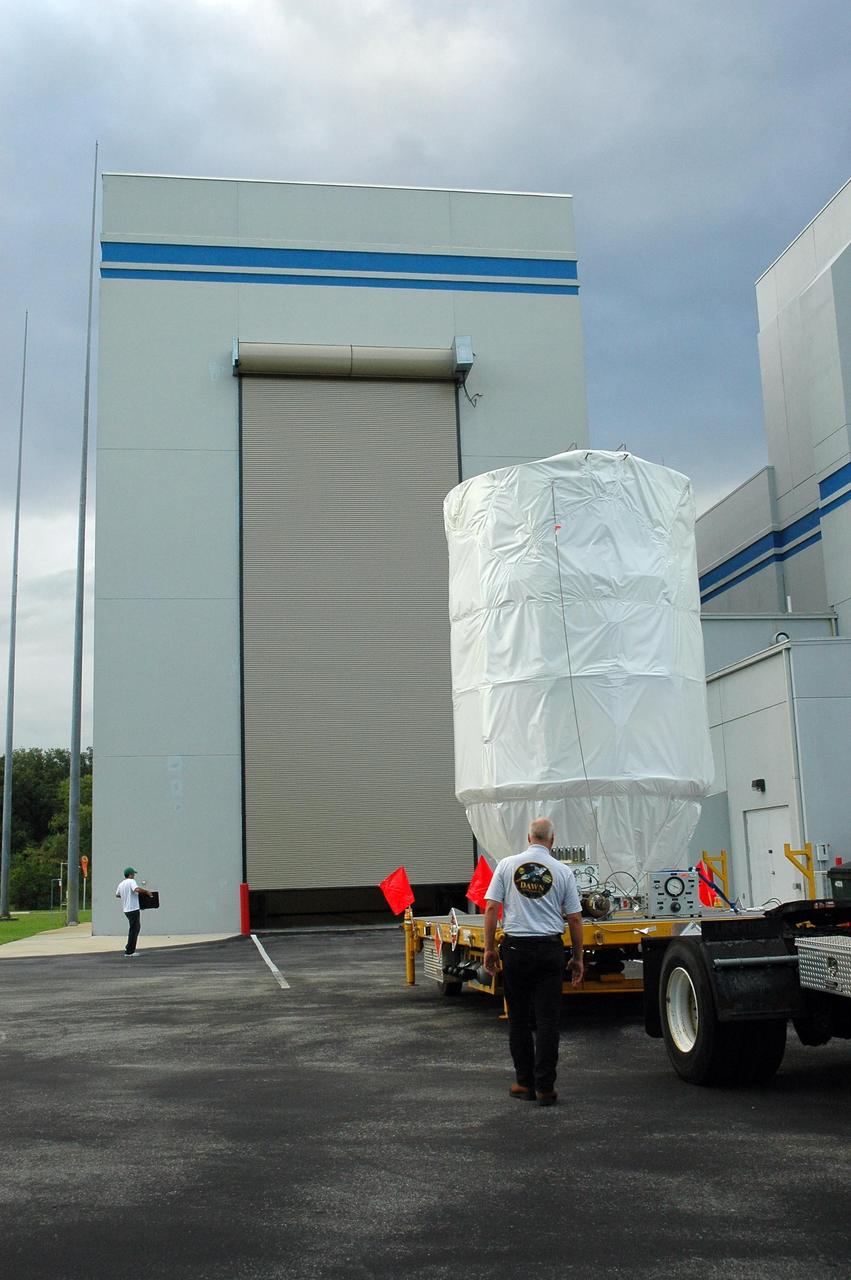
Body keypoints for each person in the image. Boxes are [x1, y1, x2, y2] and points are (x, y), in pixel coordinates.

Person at [483, 817, 584, 1107]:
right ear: (552, 841)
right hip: (550, 950)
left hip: (515, 948)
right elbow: (575, 918)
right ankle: (545, 1088)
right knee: (548, 1020)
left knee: (519, 1020)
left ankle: (523, 1083)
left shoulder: (506, 865)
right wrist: (577, 957)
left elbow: (491, 908)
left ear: (528, 838)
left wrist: (490, 949)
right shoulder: (563, 871)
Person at [115, 867, 153, 956]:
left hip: (126, 910)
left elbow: (117, 895)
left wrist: (126, 896)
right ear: (130, 874)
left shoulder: (121, 884)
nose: (134, 875)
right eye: (133, 874)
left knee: (134, 928)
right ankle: (129, 951)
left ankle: (129, 948)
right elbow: (137, 889)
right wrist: (146, 892)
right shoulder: (131, 881)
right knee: (134, 929)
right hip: (133, 909)